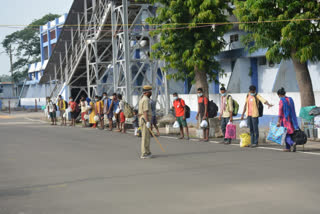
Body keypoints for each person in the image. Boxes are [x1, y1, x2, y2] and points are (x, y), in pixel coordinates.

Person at [277, 88, 299, 152]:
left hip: (285, 120)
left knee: (285, 134)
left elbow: (280, 112)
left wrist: (278, 121)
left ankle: (292, 143)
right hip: (292, 120)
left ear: (279, 94)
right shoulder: (290, 99)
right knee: (289, 133)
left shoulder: (282, 101)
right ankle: (287, 148)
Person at [139, 85, 153, 159]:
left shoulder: (142, 99)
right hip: (145, 119)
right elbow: (145, 111)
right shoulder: (146, 100)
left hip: (143, 118)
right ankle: (144, 153)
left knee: (147, 136)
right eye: (150, 92)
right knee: (145, 137)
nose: (151, 93)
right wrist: (147, 121)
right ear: (147, 92)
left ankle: (147, 151)